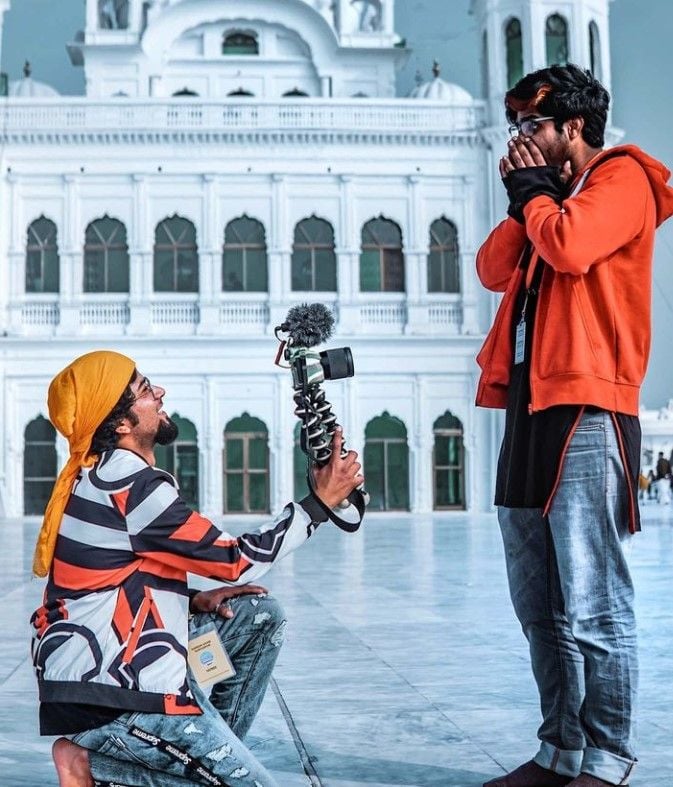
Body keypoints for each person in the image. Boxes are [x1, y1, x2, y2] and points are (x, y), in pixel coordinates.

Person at [31, 350, 366, 787]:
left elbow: (102, 580)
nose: (160, 393)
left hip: (107, 669)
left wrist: (190, 599)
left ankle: (210, 751)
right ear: (120, 425)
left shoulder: (99, 477)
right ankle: (92, 762)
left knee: (260, 618)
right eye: (146, 390)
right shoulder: (129, 484)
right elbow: (233, 560)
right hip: (114, 695)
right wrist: (317, 506)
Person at [475, 64, 673, 787]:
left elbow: (570, 248)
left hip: (588, 408)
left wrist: (538, 198)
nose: (520, 141)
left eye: (532, 127)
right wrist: (528, 196)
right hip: (530, 405)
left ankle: (609, 756)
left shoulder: (623, 180)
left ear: (572, 128)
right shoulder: (549, 202)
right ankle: (559, 749)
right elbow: (492, 268)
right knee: (540, 602)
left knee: (592, 597)